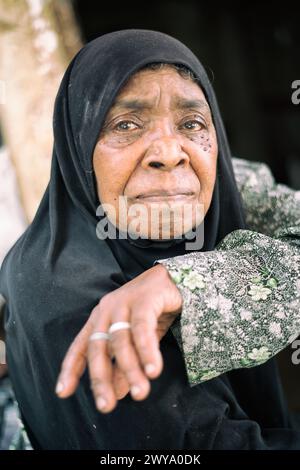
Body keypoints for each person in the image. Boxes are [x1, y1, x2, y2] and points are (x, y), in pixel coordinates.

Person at [0, 29, 300, 450]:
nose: (168, 152)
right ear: (78, 148)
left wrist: (187, 283)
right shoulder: (67, 295)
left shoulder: (229, 188)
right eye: (125, 124)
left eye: (192, 123)